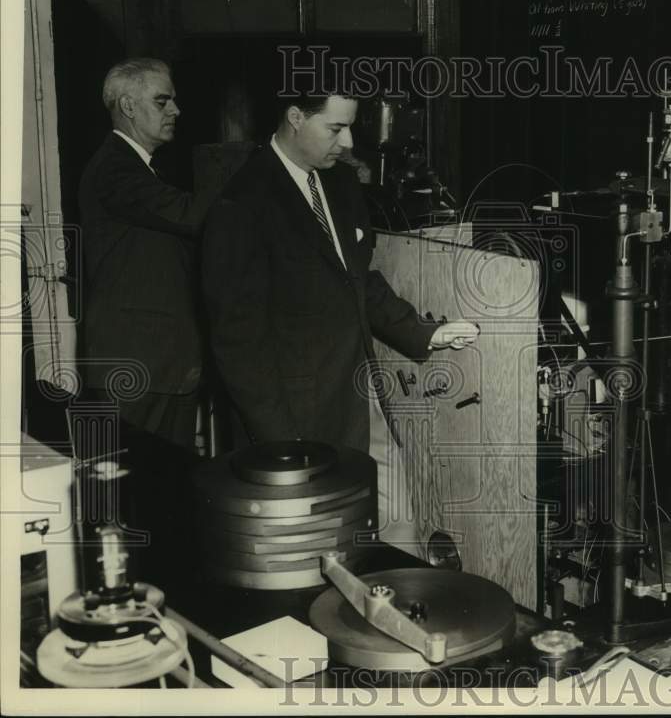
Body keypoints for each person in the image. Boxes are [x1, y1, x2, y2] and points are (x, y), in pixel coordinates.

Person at [201, 92, 478, 549]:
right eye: (335, 129)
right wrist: (280, 444)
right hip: (292, 417)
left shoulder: (341, 184)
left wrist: (423, 332)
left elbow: (359, 280)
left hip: (356, 393)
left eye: (350, 127)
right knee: (320, 548)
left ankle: (398, 610)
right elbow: (237, 340)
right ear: (294, 118)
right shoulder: (240, 205)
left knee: (397, 526)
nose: (348, 142)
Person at [78, 57, 220, 587]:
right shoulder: (117, 169)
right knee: (136, 501)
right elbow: (190, 215)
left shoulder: (137, 169)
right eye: (164, 100)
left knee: (159, 495)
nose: (176, 109)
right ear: (128, 106)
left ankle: (164, 597)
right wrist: (271, 186)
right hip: (137, 363)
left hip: (161, 361)